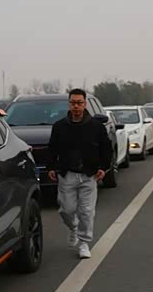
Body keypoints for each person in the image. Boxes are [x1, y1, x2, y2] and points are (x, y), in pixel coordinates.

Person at [47, 89, 113, 259]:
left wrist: (103, 167)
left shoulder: (96, 127)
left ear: (85, 104)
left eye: (79, 103)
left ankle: (84, 243)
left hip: (89, 175)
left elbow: (106, 149)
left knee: (87, 211)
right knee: (66, 209)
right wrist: (51, 167)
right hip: (67, 174)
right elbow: (52, 148)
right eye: (73, 103)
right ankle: (73, 227)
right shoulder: (60, 126)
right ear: (69, 104)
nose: (76, 106)